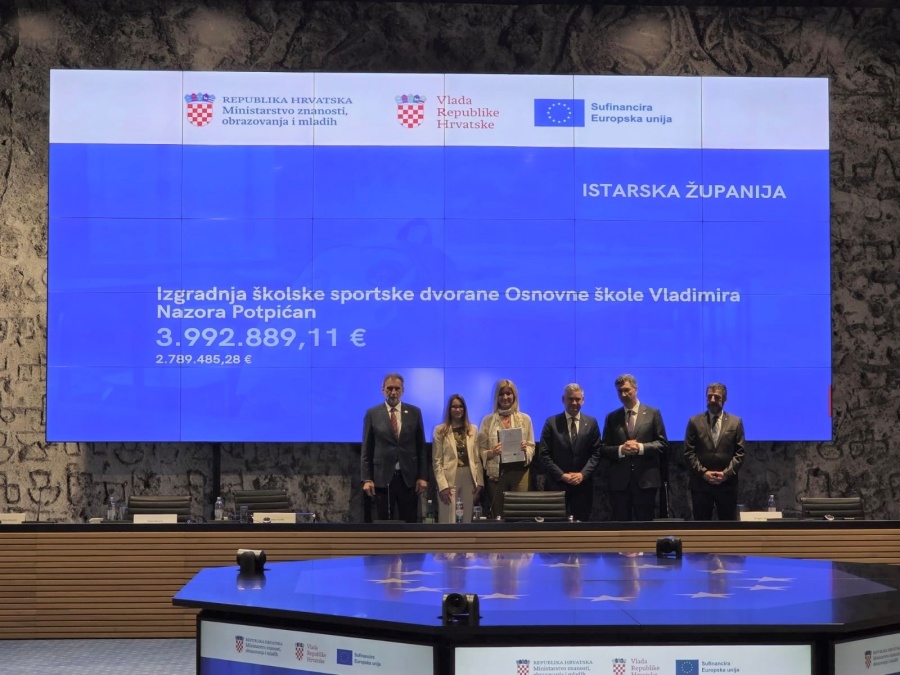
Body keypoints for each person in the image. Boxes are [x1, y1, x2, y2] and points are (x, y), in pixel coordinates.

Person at [361, 373, 428, 523]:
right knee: (383, 525)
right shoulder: (372, 414)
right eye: (389, 388)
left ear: (403, 390)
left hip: (408, 478)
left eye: (397, 388)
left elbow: (421, 447)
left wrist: (423, 477)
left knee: (410, 524)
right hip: (382, 478)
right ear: (383, 390)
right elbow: (367, 449)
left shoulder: (414, 412)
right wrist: (367, 479)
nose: (393, 392)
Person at [600, 374, 668, 521]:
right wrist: (620, 450)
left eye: (627, 390)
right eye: (620, 391)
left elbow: (662, 444)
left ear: (635, 389)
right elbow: (603, 448)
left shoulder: (652, 413)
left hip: (646, 481)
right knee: (620, 525)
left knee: (645, 525)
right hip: (620, 483)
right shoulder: (612, 417)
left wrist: (640, 448)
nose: (623, 394)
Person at [537, 383, 602, 522]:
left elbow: (596, 453)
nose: (574, 403)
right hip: (556, 486)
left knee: (581, 529)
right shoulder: (551, 423)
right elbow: (543, 454)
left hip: (583, 487)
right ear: (563, 399)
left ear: (583, 400)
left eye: (577, 399)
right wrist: (562, 475)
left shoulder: (592, 423)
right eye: (570, 399)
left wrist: (582, 474)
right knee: (555, 527)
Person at [683, 382, 745, 520]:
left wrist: (726, 474)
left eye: (716, 397)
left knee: (728, 528)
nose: (712, 400)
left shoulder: (736, 422)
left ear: (725, 399)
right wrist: (704, 473)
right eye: (709, 396)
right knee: (701, 528)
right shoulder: (694, 421)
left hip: (727, 485)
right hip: (701, 485)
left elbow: (740, 453)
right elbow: (689, 452)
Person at [478, 379, 535, 518]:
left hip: (520, 473)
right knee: (498, 515)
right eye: (501, 394)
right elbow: (480, 450)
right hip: (497, 475)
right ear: (496, 397)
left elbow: (532, 446)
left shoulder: (525, 419)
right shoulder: (487, 421)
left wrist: (525, 450)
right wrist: (492, 452)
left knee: (519, 515)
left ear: (514, 395)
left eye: (508, 393)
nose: (505, 397)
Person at [432, 394, 484, 523]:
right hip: (449, 477)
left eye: (460, 406)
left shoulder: (473, 429)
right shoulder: (440, 430)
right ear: (449, 409)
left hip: (469, 476)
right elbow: (437, 460)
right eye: (454, 407)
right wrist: (442, 486)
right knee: (448, 519)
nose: (458, 409)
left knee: (467, 519)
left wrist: (479, 482)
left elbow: (476, 458)